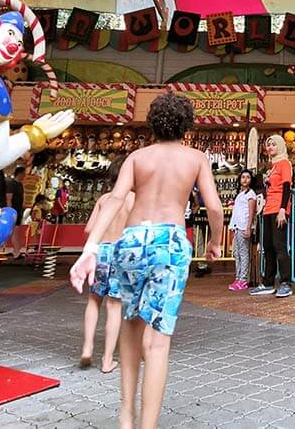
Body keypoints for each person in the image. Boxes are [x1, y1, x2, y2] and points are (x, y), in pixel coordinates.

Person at [70, 92, 223, 429]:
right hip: (168, 243)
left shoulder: (137, 158)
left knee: (130, 323)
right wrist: (214, 242)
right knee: (157, 339)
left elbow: (113, 200)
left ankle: (125, 416)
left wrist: (90, 248)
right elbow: (213, 206)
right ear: (187, 124)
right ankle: (147, 425)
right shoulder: (196, 158)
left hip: (131, 240)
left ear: (153, 124)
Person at [79, 159, 134, 373]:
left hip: (100, 251)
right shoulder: (133, 199)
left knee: (93, 300)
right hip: (120, 253)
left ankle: (87, 347)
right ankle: (107, 359)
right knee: (114, 306)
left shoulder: (104, 199)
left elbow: (89, 229)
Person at [249, 135, 293, 298]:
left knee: (279, 246)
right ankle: (267, 283)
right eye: (268, 145)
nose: (270, 147)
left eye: (274, 144)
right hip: (268, 209)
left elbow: (287, 186)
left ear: (280, 146)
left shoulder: (284, 164)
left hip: (278, 209)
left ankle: (285, 282)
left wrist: (283, 209)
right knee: (267, 247)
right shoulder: (271, 167)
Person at [227, 169, 258, 291]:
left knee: (244, 253)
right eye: (243, 177)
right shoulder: (240, 195)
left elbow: (251, 213)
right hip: (237, 227)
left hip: (244, 227)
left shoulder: (251, 195)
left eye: (248, 177)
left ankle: (243, 279)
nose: (245, 179)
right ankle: (238, 277)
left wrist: (248, 227)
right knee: (237, 253)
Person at [8, 165, 26, 258]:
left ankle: (17, 250)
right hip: (13, 210)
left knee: (17, 230)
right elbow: (9, 198)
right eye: (24, 173)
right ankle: (16, 252)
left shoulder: (20, 184)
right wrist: (10, 211)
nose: (25, 175)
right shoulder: (12, 184)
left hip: (19, 210)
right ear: (20, 174)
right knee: (14, 231)